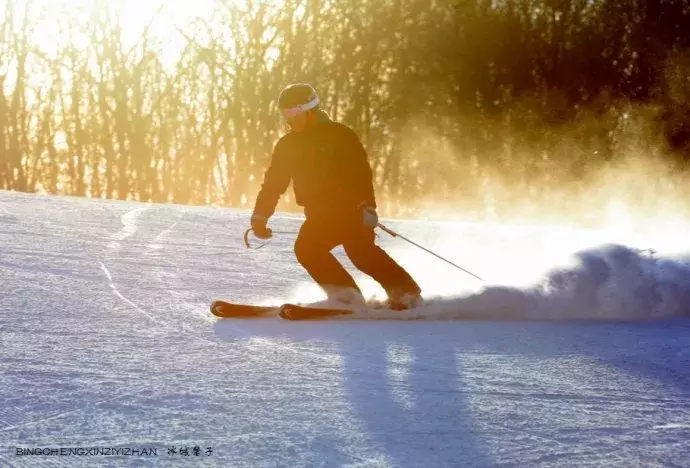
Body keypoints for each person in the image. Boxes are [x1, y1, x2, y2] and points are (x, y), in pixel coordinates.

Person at [250, 83, 422, 310]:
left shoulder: (340, 135)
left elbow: (361, 174)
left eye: (293, 113)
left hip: (351, 210)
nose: (289, 119)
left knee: (360, 253)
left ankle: (406, 293)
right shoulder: (287, 145)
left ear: (309, 109)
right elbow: (274, 183)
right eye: (285, 114)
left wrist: (367, 206)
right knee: (307, 249)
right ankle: (346, 298)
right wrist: (260, 215)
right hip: (319, 214)